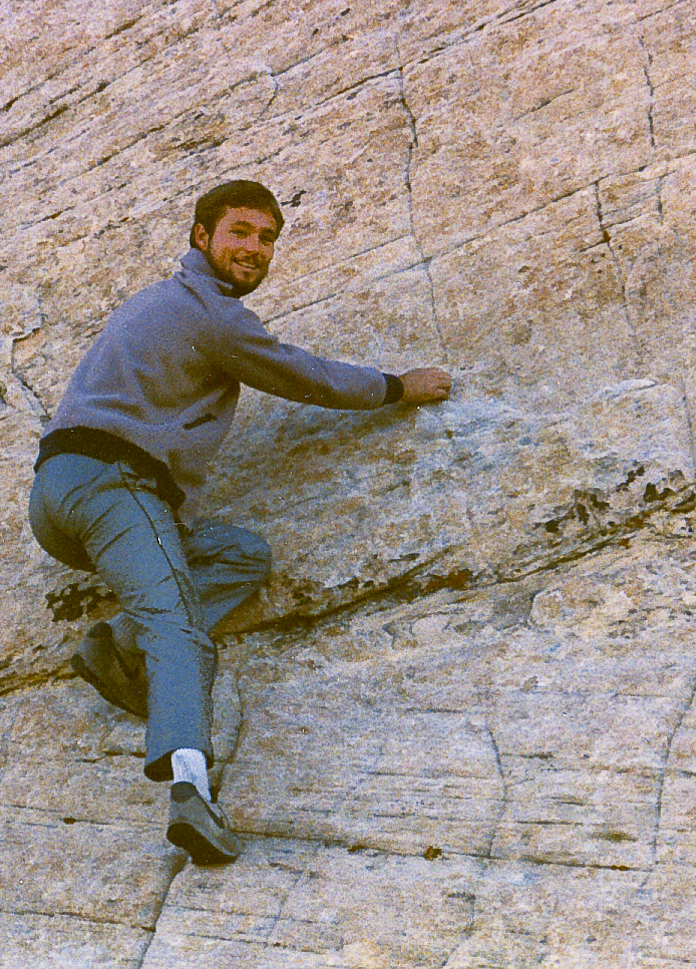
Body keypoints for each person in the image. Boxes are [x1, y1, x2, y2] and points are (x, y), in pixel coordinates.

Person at [27, 179, 452, 865]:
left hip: (61, 492)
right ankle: (191, 792)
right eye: (241, 232)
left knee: (239, 556)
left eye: (267, 237)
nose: (254, 248)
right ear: (202, 236)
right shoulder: (212, 314)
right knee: (179, 627)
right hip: (114, 483)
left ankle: (113, 645)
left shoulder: (159, 300)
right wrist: (397, 386)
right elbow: (299, 374)